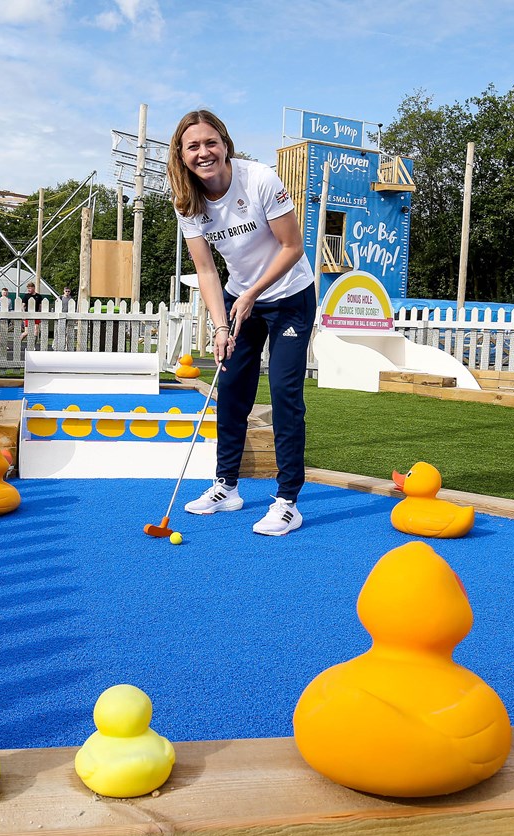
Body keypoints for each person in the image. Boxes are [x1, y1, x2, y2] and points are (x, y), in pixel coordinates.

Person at [167, 109, 316, 537]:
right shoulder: (186, 201)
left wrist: (252, 294)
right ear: (182, 154)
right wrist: (219, 326)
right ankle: (225, 487)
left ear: (225, 143)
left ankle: (287, 501)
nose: (203, 152)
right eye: (193, 146)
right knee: (231, 390)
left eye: (210, 142)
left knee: (286, 394)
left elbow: (292, 246)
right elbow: (208, 271)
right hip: (238, 298)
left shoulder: (260, 180)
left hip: (289, 295)